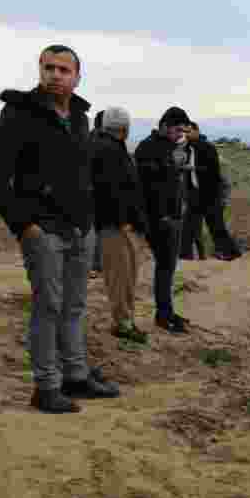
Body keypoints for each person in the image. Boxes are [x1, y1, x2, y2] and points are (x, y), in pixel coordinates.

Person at [0, 44, 119, 413]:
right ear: (40, 71)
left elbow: (81, 173)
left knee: (75, 307)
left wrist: (89, 221)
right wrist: (24, 226)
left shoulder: (79, 116)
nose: (55, 75)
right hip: (43, 231)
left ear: (76, 76)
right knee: (48, 307)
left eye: (63, 70)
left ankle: (75, 376)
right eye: (48, 68)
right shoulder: (19, 112)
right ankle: (46, 387)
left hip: (79, 228)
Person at [90, 106, 149, 344]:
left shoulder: (105, 146)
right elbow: (112, 190)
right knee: (121, 276)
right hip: (116, 226)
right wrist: (124, 221)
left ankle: (125, 320)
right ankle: (122, 323)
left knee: (123, 274)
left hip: (115, 224)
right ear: (124, 129)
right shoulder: (108, 150)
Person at [134, 106, 195, 334]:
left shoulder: (170, 147)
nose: (180, 135)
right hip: (160, 219)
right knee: (165, 267)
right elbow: (149, 187)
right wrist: (162, 216)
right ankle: (163, 314)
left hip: (173, 216)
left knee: (168, 267)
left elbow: (171, 179)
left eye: (183, 131)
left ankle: (167, 311)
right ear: (165, 126)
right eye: (178, 130)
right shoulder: (147, 148)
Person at [180, 122, 242, 261]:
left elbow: (213, 171)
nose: (187, 135)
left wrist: (193, 168)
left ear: (196, 131)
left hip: (210, 194)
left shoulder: (208, 148)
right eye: (185, 133)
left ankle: (231, 252)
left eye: (189, 132)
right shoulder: (188, 148)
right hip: (195, 194)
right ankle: (184, 255)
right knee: (188, 225)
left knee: (216, 226)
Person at [89, 109, 106, 276]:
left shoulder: (87, 137)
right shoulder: (101, 142)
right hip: (98, 191)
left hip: (89, 190)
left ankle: (96, 264)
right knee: (98, 229)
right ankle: (96, 265)